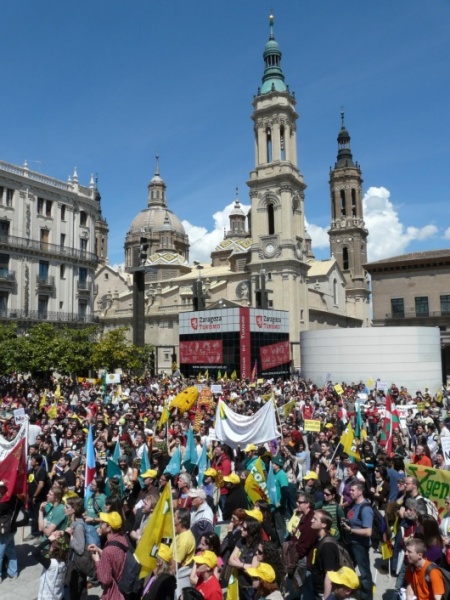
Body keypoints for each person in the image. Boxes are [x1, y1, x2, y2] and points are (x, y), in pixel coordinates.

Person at [341, 481, 373, 600]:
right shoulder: (354, 504)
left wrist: (350, 530)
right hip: (351, 543)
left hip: (360, 545)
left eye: (353, 490)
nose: (350, 492)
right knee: (347, 568)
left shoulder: (366, 508)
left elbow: (368, 532)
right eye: (350, 490)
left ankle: (366, 597)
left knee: (364, 574)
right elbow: (354, 520)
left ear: (360, 492)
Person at [88, 511, 129, 600]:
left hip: (114, 594)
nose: (100, 524)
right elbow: (114, 558)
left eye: (103, 523)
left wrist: (97, 560)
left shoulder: (108, 551)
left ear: (109, 528)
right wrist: (99, 550)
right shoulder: (123, 539)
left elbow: (105, 579)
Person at [309, 510, 341, 600]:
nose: (311, 520)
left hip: (322, 592)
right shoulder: (319, 539)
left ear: (324, 525)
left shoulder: (327, 546)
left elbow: (329, 574)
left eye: (315, 519)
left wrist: (326, 597)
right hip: (316, 588)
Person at [31, 530, 70, 599]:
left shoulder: (51, 564)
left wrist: (48, 540)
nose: (54, 532)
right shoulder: (65, 559)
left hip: (47, 597)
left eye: (59, 533)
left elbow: (35, 553)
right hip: (58, 594)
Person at [171, 507, 196, 597]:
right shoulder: (180, 534)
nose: (172, 518)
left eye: (174, 516)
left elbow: (174, 566)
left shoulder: (184, 540)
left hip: (179, 579)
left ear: (180, 520)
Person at [0, 479, 18, 581]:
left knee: (0, 553)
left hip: (5, 530)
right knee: (10, 550)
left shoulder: (8, 499)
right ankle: (13, 572)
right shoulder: (11, 497)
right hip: (9, 528)